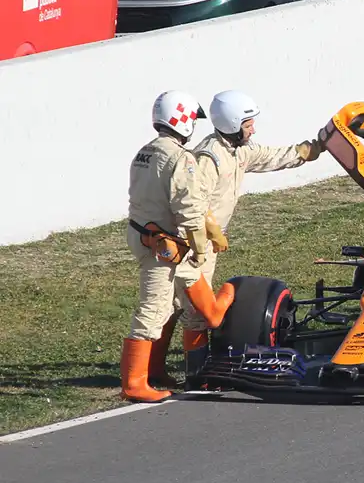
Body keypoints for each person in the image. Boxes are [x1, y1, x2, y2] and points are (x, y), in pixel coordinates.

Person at [174, 89, 324, 377]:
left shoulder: (238, 150)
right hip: (193, 242)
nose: (253, 129)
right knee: (193, 311)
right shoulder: (208, 157)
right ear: (231, 124)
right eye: (248, 124)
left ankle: (174, 371)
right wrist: (212, 232)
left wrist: (311, 150)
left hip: (203, 241)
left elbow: (271, 156)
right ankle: (196, 374)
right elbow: (193, 202)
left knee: (180, 306)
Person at [122, 91, 236, 403]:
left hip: (142, 234)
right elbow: (189, 210)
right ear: (183, 121)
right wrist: (201, 248)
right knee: (154, 308)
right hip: (163, 246)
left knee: (177, 302)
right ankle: (134, 383)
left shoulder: (144, 152)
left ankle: (155, 370)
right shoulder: (180, 159)